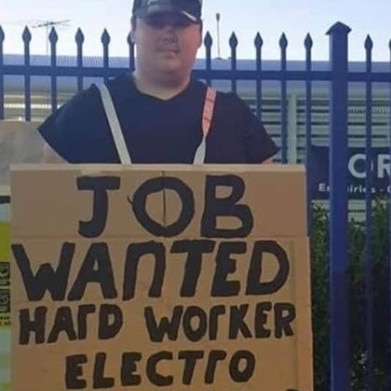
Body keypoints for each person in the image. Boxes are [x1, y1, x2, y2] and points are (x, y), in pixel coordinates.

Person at [39, 0, 278, 164]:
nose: (168, 32)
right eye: (155, 21)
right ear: (133, 28)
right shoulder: (85, 112)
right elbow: (46, 202)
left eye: (181, 23)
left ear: (200, 34)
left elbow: (272, 205)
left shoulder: (235, 118)